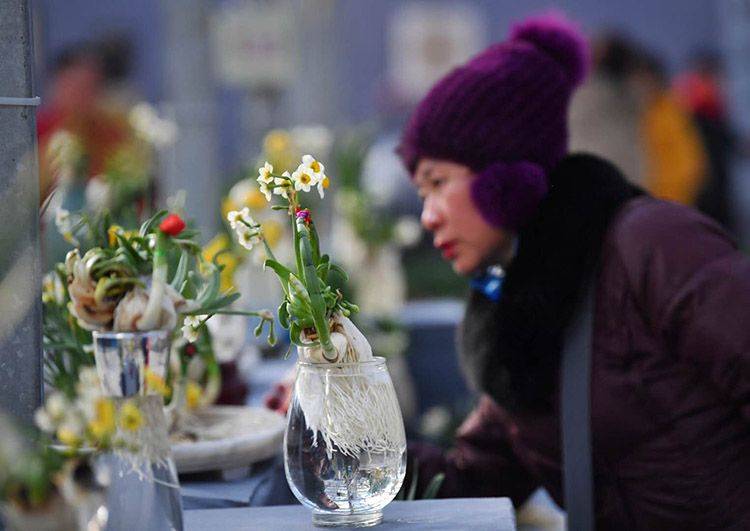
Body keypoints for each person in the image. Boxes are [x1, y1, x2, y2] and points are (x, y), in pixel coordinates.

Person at [397, 13, 750, 530]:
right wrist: (344, 435)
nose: (428, 216)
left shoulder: (650, 246)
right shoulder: (521, 319)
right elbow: (469, 484)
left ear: (505, 176)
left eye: (438, 182)